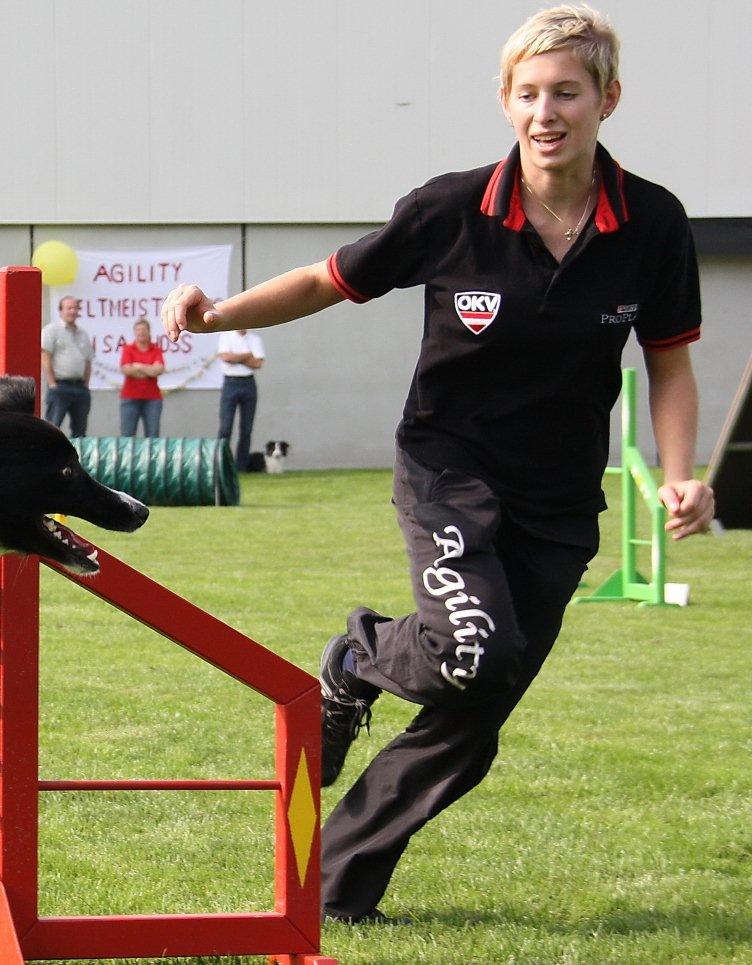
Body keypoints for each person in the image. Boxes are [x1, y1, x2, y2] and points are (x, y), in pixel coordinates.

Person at [160, 4, 713, 925]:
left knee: (474, 712)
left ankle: (333, 888)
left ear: (608, 99)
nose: (546, 113)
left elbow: (671, 362)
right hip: (450, 471)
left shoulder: (652, 222)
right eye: (528, 94)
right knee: (473, 649)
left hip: (559, 499)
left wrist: (683, 473)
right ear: (505, 101)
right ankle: (359, 655)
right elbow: (329, 280)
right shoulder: (452, 208)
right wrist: (220, 317)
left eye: (567, 93)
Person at [41, 296, 95, 437]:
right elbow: (45, 356)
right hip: (60, 386)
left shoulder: (83, 334)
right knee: (52, 429)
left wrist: (86, 385)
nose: (72, 311)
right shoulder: (51, 330)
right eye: (69, 308)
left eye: (75, 308)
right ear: (61, 311)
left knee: (80, 433)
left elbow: (88, 360)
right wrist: (52, 383)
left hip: (80, 388)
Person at [217, 328, 265, 470]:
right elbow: (226, 358)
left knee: (246, 429)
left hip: (248, 382)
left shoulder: (255, 339)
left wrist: (236, 358)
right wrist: (247, 355)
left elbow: (257, 363)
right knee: (225, 427)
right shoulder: (226, 336)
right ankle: (222, 462)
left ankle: (241, 465)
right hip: (230, 382)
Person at [119, 318, 166, 437]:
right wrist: (150, 369)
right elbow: (127, 370)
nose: (141, 332)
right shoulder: (128, 349)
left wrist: (138, 366)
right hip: (130, 398)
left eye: (144, 329)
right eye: (138, 330)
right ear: (134, 332)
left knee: (152, 436)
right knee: (127, 435)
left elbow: (159, 370)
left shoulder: (156, 350)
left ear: (149, 331)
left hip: (152, 399)